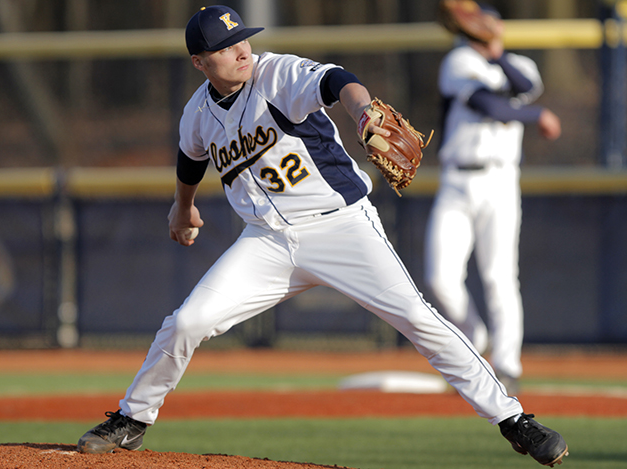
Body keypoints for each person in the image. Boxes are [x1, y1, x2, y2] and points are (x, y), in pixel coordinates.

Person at [77, 5, 568, 467]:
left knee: (419, 319)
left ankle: (515, 420)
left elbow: (337, 81)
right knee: (185, 322)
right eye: (227, 47)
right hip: (266, 241)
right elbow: (191, 159)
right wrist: (182, 210)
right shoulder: (197, 113)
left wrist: (361, 113)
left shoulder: (275, 73)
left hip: (340, 226)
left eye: (242, 39)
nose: (242, 50)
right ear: (200, 62)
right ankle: (133, 418)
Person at [424, 4, 561, 397]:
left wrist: (498, 52)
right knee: (440, 278)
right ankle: (475, 337)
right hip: (456, 180)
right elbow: (489, 105)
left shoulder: (520, 64)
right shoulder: (458, 60)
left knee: (500, 277)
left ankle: (506, 365)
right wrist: (537, 116)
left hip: (501, 180)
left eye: (490, 19)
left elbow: (523, 86)